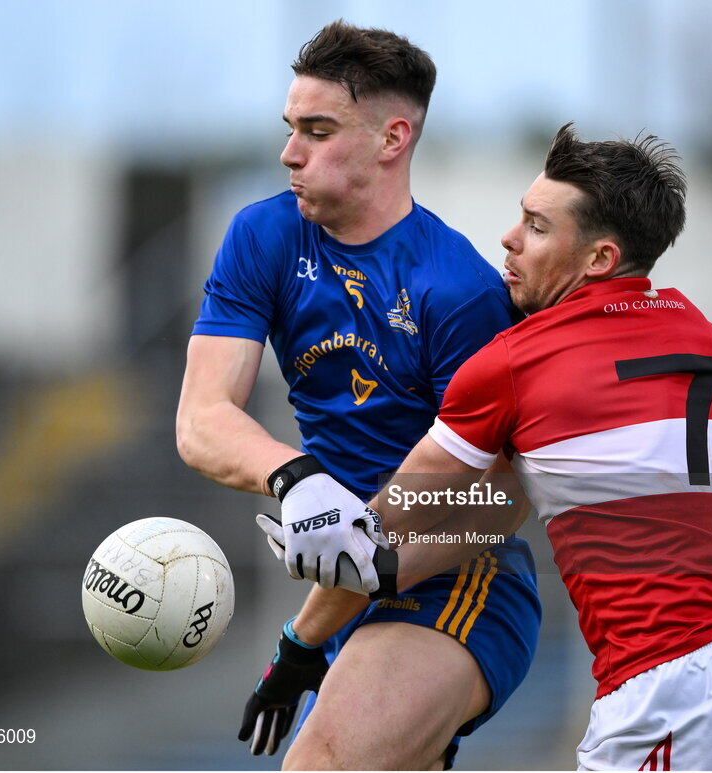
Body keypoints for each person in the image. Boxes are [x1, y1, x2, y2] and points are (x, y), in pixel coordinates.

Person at [266, 124, 712, 770]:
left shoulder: (519, 361)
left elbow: (398, 507)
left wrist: (322, 527)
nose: (508, 239)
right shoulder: (705, 334)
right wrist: (380, 565)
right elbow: (516, 491)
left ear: (598, 259)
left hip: (669, 683)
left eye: (537, 227)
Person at [175, 20, 540, 770]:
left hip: (453, 581)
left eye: (318, 130)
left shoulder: (459, 289)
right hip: (348, 582)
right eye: (290, 128)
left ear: (391, 138)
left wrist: (324, 609)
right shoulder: (265, 236)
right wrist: (296, 478)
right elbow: (201, 420)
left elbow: (502, 500)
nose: (290, 153)